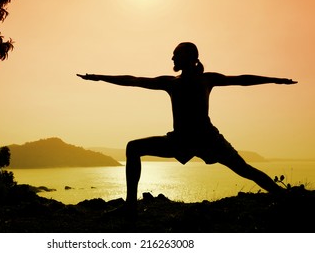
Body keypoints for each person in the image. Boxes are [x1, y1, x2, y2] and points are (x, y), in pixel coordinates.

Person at [77, 42, 297, 215]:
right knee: (133, 148)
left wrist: (276, 80)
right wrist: (99, 77)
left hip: (208, 139)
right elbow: (134, 80)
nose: (172, 57)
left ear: (190, 58)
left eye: (176, 54)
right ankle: (131, 206)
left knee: (245, 170)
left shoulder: (206, 79)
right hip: (181, 140)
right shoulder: (171, 82)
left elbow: (242, 80)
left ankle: (287, 198)